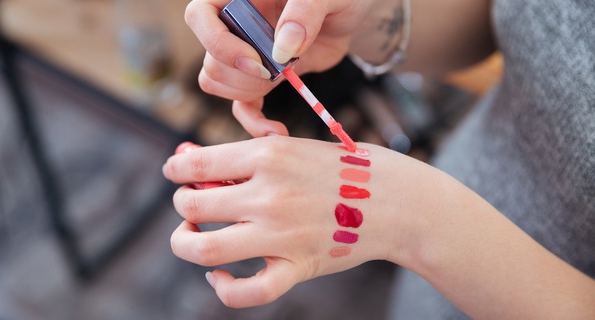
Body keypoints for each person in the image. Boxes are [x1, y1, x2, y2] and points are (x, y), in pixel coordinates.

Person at [162, 0, 595, 318]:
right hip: (427, 289)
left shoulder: (411, 219)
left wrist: (413, 217)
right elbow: (515, 20)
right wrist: (362, 22)